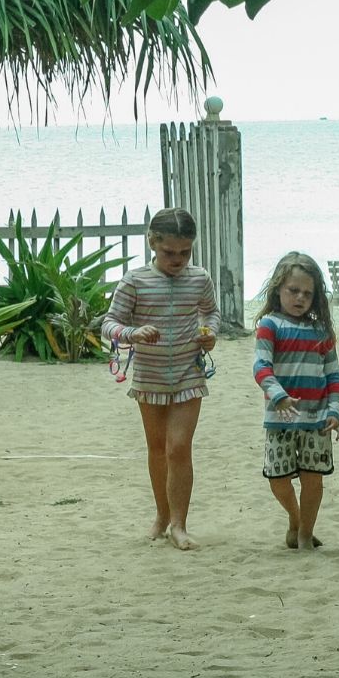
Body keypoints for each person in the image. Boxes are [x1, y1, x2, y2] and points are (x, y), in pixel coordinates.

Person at [102, 207, 219, 550]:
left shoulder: (200, 278)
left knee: (179, 448)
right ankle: (161, 515)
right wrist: (133, 333)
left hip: (188, 372)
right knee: (157, 450)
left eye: (185, 252)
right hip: (149, 376)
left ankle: (180, 525)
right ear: (152, 243)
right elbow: (109, 323)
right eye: (169, 252)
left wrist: (209, 333)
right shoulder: (135, 280)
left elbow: (211, 312)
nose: (178, 259)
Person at [253, 252, 339, 550]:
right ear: (278, 288)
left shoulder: (320, 331)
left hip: (316, 421)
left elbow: (333, 375)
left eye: (307, 293)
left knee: (313, 479)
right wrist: (278, 396)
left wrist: (335, 411)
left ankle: (305, 534)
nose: (300, 298)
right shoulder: (270, 325)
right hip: (280, 419)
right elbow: (261, 367)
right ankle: (295, 520)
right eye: (293, 291)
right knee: (278, 479)